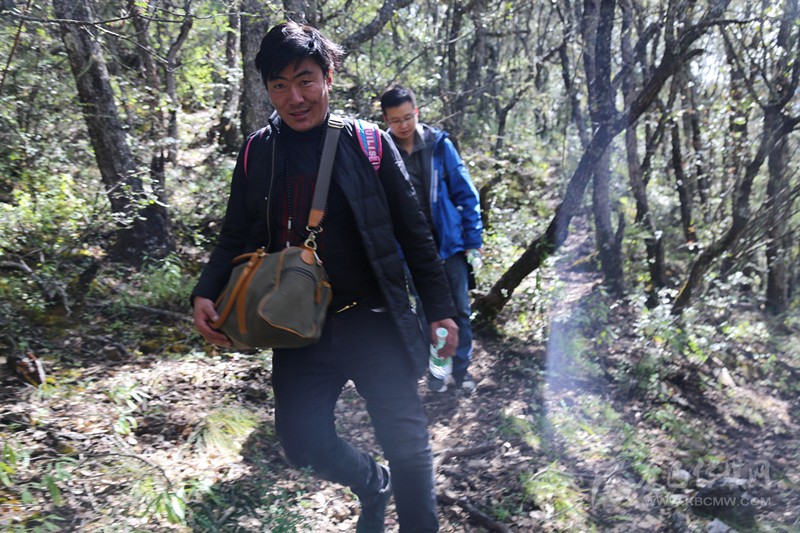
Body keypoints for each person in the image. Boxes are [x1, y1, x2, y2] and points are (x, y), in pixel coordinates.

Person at [191, 22, 458, 533]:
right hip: (298, 327)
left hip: (375, 320)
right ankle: (372, 484)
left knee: (407, 445)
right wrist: (206, 290)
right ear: (267, 89)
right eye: (279, 85)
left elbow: (415, 233)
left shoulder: (370, 143)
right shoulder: (258, 152)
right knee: (302, 444)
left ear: (328, 77)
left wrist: (440, 310)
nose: (295, 98)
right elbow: (235, 233)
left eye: (305, 81)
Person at [379, 86, 483, 394]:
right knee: (428, 312)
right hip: (411, 252)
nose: (403, 125)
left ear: (417, 112)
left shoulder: (439, 145)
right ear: (386, 119)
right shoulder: (383, 151)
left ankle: (461, 372)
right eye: (396, 120)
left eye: (408, 117)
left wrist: (472, 239)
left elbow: (466, 193)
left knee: (460, 310)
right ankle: (438, 372)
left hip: (449, 245)